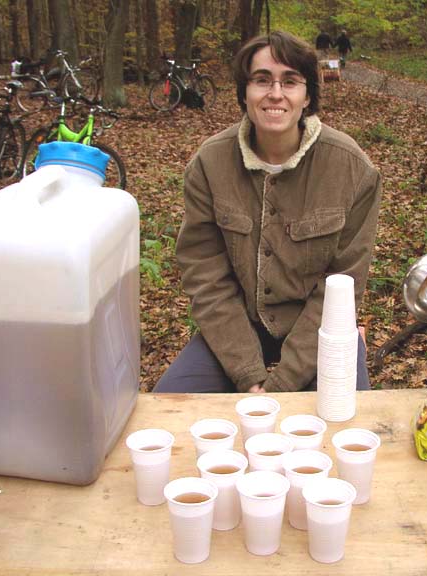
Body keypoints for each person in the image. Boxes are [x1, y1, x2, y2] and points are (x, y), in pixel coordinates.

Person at [154, 31, 382, 394]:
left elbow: (344, 283)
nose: (275, 93)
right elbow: (206, 276)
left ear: (307, 96)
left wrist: (283, 384)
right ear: (244, 92)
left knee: (346, 420)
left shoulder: (352, 169)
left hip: (323, 329)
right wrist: (247, 372)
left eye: (290, 81)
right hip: (236, 328)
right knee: (171, 406)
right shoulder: (210, 164)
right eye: (262, 80)